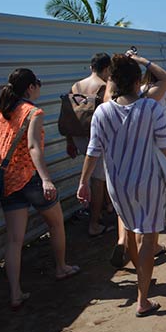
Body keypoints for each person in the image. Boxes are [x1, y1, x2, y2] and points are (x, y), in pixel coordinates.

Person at [78, 53, 166, 317]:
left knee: (132, 231)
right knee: (149, 236)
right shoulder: (152, 108)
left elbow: (93, 150)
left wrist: (83, 182)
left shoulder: (102, 111)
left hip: (117, 185)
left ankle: (142, 281)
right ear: (137, 82)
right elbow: (165, 146)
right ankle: (142, 298)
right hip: (148, 180)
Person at [0, 69, 80, 310]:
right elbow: (33, 148)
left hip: (8, 183)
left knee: (13, 240)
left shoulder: (2, 114)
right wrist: (46, 179)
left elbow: (0, 150)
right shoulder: (33, 112)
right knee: (56, 223)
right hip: (30, 178)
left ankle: (15, 293)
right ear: (30, 87)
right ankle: (61, 267)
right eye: (38, 84)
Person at [65, 53, 111, 237]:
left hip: (78, 137)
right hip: (96, 139)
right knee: (97, 181)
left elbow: (69, 114)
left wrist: (69, 141)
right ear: (107, 68)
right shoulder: (103, 87)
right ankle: (94, 224)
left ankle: (106, 207)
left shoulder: (76, 85)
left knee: (98, 176)